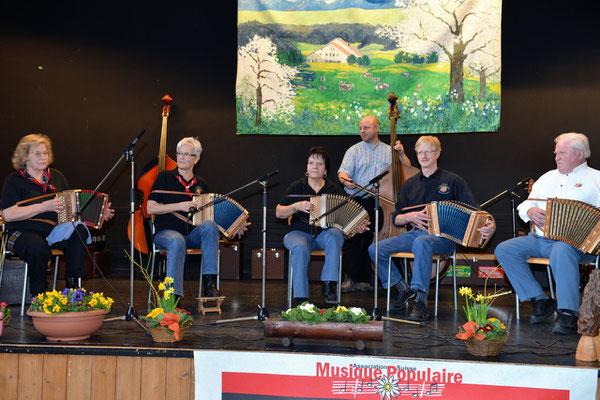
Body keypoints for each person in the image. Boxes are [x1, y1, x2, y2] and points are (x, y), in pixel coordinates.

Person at [368, 136, 495, 321]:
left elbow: (476, 209)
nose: (424, 156)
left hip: (444, 239)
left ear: (437, 154)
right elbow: (396, 217)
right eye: (420, 152)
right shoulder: (410, 184)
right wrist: (409, 217)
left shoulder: (453, 181)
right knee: (375, 248)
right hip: (415, 235)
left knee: (422, 242)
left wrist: (490, 223)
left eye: (428, 151)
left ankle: (420, 300)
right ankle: (402, 288)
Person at [495, 132, 600, 334]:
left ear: (580, 154)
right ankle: (540, 299)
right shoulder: (547, 177)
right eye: (556, 153)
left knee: (561, 250)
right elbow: (526, 204)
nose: (556, 157)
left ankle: (569, 313)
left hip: (578, 245)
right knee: (504, 249)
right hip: (539, 239)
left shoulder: (596, 179)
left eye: (562, 153)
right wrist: (531, 211)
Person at [1, 134, 114, 297]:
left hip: (53, 232)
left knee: (78, 232)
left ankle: (73, 291)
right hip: (22, 232)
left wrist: (99, 215)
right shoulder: (13, 180)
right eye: (37, 154)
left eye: (45, 153)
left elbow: (72, 210)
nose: (43, 157)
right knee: (37, 247)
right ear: (25, 157)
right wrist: (43, 206)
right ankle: (38, 296)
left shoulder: (57, 177)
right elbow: (9, 214)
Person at [147, 137, 248, 301]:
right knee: (176, 240)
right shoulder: (164, 178)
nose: (181, 157)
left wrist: (235, 226)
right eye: (179, 153)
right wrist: (179, 206)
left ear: (197, 159)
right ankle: (173, 296)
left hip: (192, 236)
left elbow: (213, 216)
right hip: (166, 234)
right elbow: (150, 208)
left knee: (209, 225)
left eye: (187, 154)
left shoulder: (202, 185)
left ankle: (209, 284)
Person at [277, 146, 362, 306]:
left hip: (323, 235)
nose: (315, 166)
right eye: (311, 163)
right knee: (300, 248)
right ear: (306, 168)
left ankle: (329, 284)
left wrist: (356, 226)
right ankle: (301, 298)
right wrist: (296, 206)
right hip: (299, 234)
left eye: (319, 164)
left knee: (336, 234)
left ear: (325, 170)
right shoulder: (297, 186)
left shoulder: (332, 189)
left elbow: (345, 217)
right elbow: (279, 212)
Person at [338, 115, 412, 293]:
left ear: (377, 128)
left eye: (367, 127)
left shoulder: (389, 150)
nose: (362, 131)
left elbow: (407, 170)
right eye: (361, 128)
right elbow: (343, 173)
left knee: (374, 238)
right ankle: (351, 277)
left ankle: (367, 279)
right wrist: (346, 180)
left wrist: (401, 154)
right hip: (357, 199)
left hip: (381, 202)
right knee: (353, 238)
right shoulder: (353, 151)